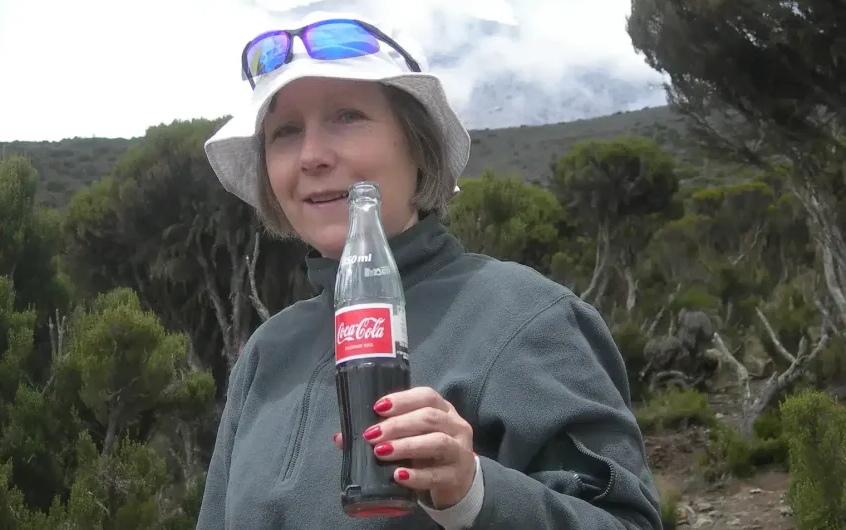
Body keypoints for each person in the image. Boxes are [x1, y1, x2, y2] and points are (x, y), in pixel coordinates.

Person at [197, 10, 662, 530]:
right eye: (285, 131)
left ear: (418, 144)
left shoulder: (525, 316)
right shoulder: (266, 354)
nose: (312, 156)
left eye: (347, 116)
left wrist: (473, 493)